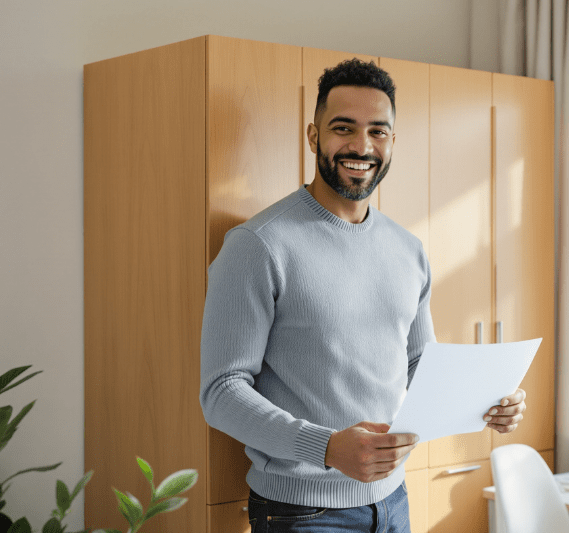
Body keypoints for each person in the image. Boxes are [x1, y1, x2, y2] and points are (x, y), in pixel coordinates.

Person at [199, 58, 527, 533]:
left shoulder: (408, 249)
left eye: (378, 131)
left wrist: (489, 401)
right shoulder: (260, 245)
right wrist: (326, 447)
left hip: (393, 501)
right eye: (343, 128)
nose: (361, 146)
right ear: (314, 137)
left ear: (392, 142)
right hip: (301, 513)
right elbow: (221, 392)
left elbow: (419, 367)